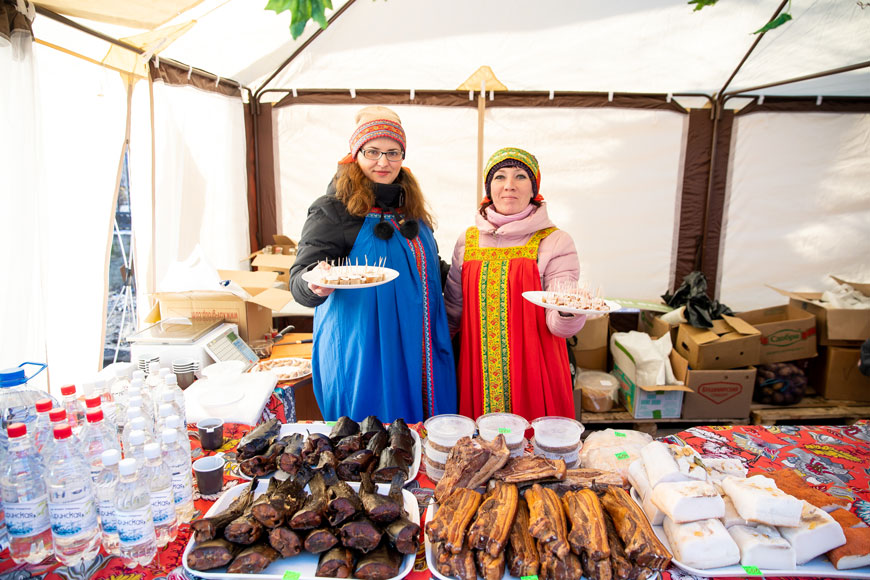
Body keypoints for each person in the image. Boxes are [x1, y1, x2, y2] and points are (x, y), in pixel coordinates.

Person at [288, 106, 457, 423]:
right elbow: (299, 279)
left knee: (427, 438)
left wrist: (472, 273)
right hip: (364, 349)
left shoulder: (412, 208)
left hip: (420, 347)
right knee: (371, 443)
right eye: (373, 152)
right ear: (356, 153)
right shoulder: (333, 210)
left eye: (393, 153)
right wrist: (314, 283)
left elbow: (431, 268)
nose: (384, 162)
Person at [445, 147, 587, 421]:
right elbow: (453, 310)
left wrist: (569, 310)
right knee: (480, 455)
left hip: (535, 368)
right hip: (478, 370)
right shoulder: (468, 240)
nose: (509, 186)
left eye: (520, 176)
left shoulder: (555, 240)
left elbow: (559, 324)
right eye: (500, 177)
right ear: (489, 188)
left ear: (534, 188)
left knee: (533, 456)